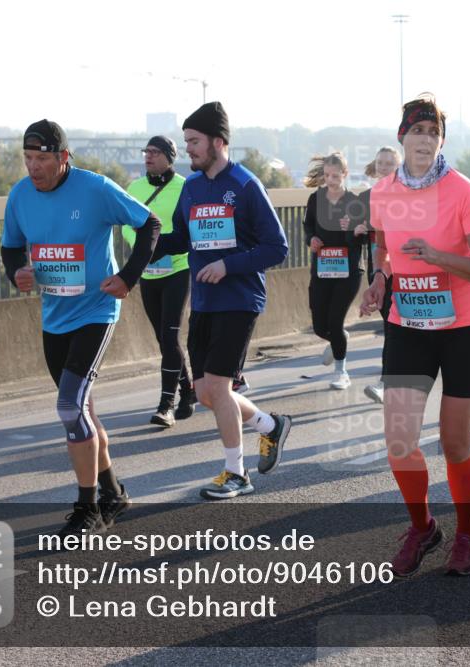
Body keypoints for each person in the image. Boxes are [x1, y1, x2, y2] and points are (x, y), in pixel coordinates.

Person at [360, 93, 470, 577]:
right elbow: (383, 248)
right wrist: (379, 279)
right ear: (401, 137)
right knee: (399, 439)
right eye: (416, 131)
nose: (424, 139)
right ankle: (423, 528)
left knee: (454, 442)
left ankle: (466, 534)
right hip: (409, 324)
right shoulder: (383, 192)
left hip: (466, 326)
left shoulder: (460, 190)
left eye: (433, 132)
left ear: (442, 140)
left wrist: (439, 257)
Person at [1, 119, 160, 536]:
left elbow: (150, 224)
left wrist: (128, 276)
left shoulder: (95, 189)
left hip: (95, 312)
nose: (33, 167)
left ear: (63, 157)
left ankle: (87, 508)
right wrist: (16, 271)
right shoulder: (19, 196)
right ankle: (114, 493)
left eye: (42, 159)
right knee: (82, 412)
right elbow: (10, 246)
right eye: (28, 158)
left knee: (70, 407)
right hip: (54, 317)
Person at [152, 102, 292, 500]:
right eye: (186, 142)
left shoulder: (246, 185)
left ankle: (237, 473)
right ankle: (270, 425)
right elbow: (183, 238)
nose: (189, 149)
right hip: (205, 301)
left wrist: (229, 266)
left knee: (218, 384)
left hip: (239, 298)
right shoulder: (191, 188)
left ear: (218, 141)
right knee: (209, 394)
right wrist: (147, 246)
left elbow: (276, 247)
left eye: (194, 142)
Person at [123, 135, 194, 427]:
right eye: (146, 152)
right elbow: (127, 225)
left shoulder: (184, 187)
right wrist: (144, 251)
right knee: (162, 338)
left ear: (169, 156)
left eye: (155, 152)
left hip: (179, 268)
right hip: (149, 271)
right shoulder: (134, 188)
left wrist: (158, 246)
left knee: (169, 335)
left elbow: (188, 227)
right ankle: (189, 389)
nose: (148, 157)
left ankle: (167, 405)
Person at [303, 153, 366, 390]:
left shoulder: (354, 202)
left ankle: (341, 372)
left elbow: (359, 240)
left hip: (348, 269)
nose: (331, 180)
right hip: (322, 267)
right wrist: (312, 239)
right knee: (320, 325)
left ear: (345, 175)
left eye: (336, 176)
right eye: (327, 176)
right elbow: (308, 225)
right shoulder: (315, 198)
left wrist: (351, 229)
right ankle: (340, 339)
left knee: (335, 320)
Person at [360, 147, 401, 404]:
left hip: (405, 269)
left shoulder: (408, 194)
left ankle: (390, 383)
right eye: (381, 163)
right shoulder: (371, 195)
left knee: (397, 327)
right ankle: (390, 383)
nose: (384, 167)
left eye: (389, 163)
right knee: (390, 325)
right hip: (379, 267)